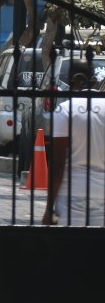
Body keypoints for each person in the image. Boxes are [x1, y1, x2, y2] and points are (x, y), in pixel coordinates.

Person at [43, 59, 105, 226]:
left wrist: (49, 209)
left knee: (70, 247)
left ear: (75, 80)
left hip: (72, 194)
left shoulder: (65, 110)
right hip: (102, 193)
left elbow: (58, 165)